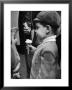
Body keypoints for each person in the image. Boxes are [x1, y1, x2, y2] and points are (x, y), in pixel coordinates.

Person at [28, 11, 61, 79]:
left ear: (47, 29)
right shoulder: (47, 44)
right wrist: (36, 50)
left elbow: (46, 77)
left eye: (37, 28)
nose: (35, 31)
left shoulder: (49, 49)